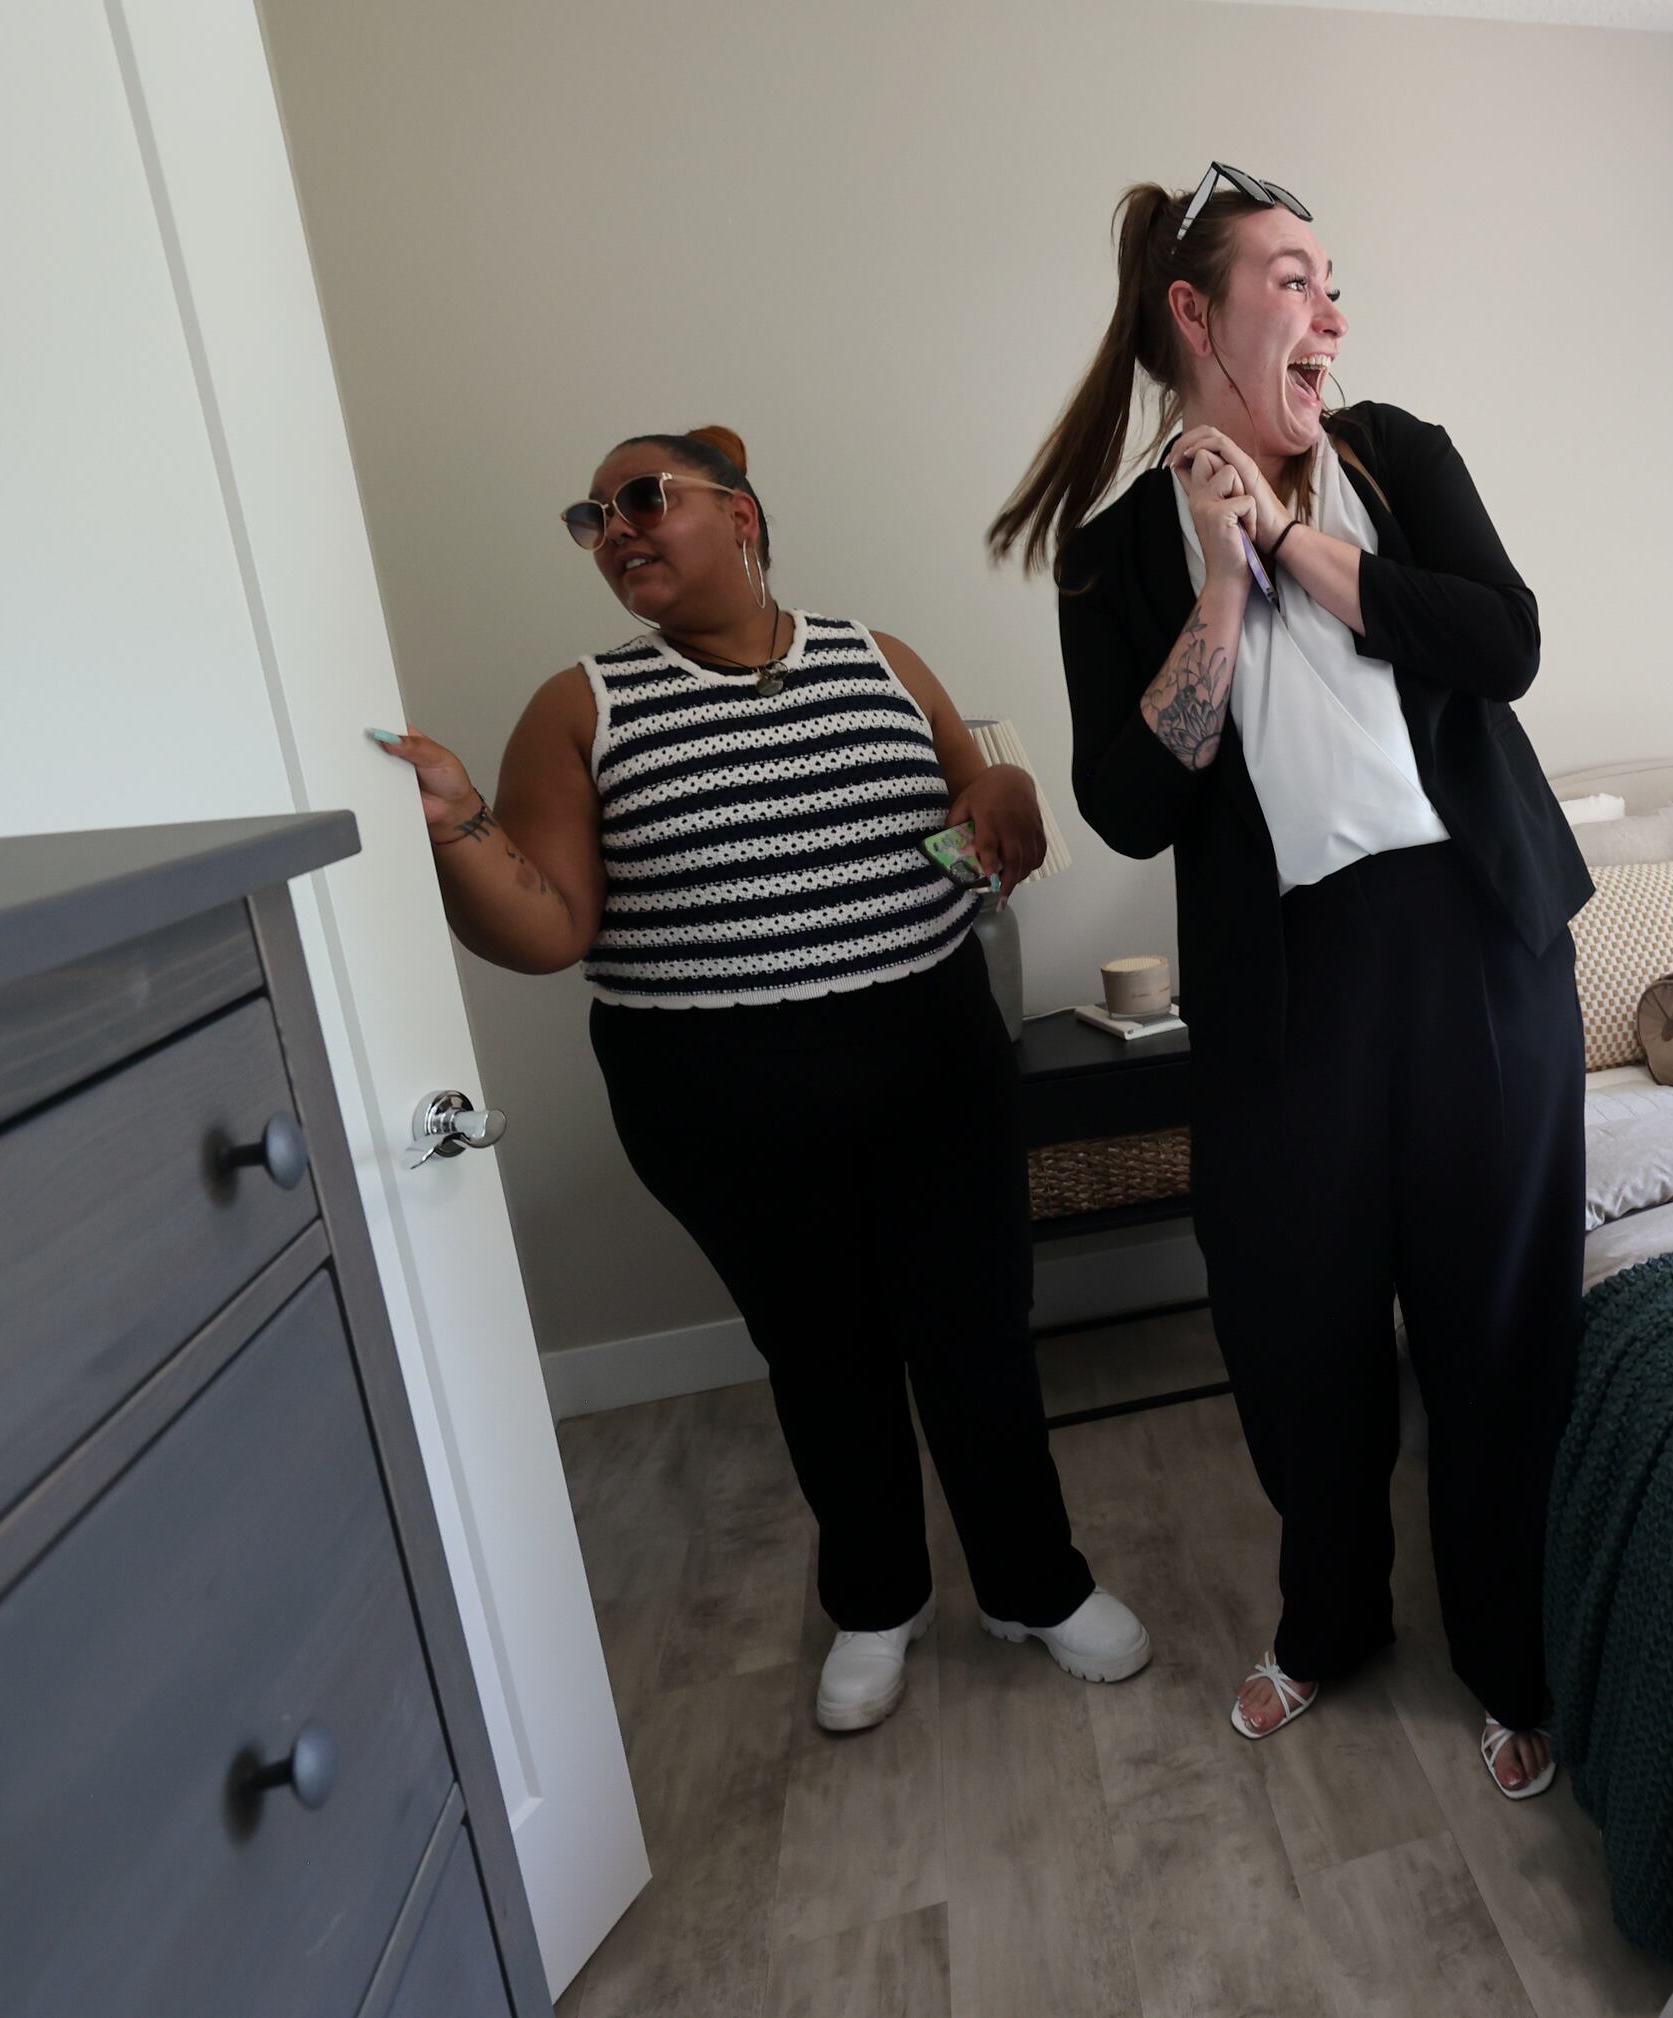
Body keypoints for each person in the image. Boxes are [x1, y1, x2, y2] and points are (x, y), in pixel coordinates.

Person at [376, 425, 1148, 1733]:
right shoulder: (583, 705)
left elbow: (977, 819)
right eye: (591, 516)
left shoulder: (880, 657)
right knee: (821, 1351)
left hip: (931, 1059)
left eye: (642, 498)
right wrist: (456, 824)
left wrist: (1001, 779)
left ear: (740, 515)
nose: (614, 528)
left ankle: (1035, 1583)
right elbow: (546, 927)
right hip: (716, 1093)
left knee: (976, 1337)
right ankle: (878, 1598)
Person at [989, 168, 1592, 1798]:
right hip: (1283, 988)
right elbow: (1129, 798)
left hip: (1481, 945)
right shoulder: (1113, 562)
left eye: (1336, 284)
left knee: (1495, 1329)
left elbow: (1502, 644)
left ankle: (1506, 1652)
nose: (1332, 313)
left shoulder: (1397, 460)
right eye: (1297, 279)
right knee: (1294, 1327)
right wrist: (1221, 578)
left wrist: (1293, 538)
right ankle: (1328, 1621)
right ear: (1197, 312)